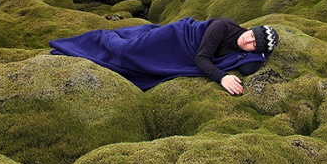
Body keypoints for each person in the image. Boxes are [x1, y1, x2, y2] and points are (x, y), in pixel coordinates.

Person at [49, 17, 278, 95]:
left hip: (182, 53)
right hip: (175, 38)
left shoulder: (247, 52)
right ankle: (99, 39)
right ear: (249, 28)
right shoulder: (224, 26)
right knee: (126, 51)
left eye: (253, 45)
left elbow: (249, 68)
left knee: (140, 69)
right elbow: (201, 60)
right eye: (250, 35)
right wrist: (222, 77)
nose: (247, 42)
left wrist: (263, 52)